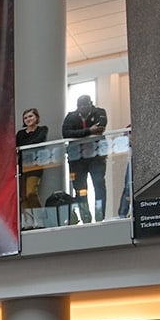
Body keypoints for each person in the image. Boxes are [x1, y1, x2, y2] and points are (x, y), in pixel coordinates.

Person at [62, 94, 109, 224]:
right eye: (79, 105)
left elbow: (100, 128)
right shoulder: (71, 116)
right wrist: (89, 130)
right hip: (76, 159)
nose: (82, 107)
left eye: (85, 104)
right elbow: (66, 133)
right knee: (80, 188)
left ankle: (100, 216)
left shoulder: (100, 112)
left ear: (90, 103)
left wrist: (80, 133)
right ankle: (85, 217)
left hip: (96, 156)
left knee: (99, 184)